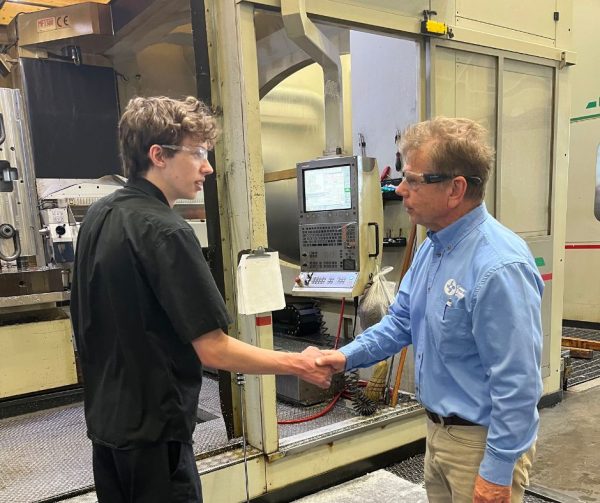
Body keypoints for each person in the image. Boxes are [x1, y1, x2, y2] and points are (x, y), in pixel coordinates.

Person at [70, 96, 332, 503]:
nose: (207, 167)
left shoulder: (99, 216)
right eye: (197, 154)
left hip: (107, 429)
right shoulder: (166, 231)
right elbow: (213, 349)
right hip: (156, 438)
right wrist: (298, 363)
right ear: (158, 155)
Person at [316, 117, 543, 503]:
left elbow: (518, 384)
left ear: (455, 189)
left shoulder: (498, 267)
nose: (400, 189)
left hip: (480, 443)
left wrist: (497, 470)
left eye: (414, 180)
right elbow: (401, 323)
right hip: (437, 433)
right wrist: (341, 357)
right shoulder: (432, 248)